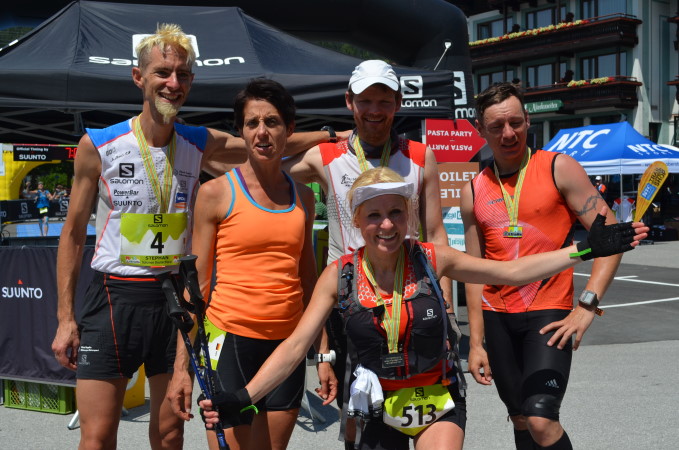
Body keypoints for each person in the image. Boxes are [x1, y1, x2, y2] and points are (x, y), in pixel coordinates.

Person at [198, 167, 646, 450]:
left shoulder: (432, 258)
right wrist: (243, 397)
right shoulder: (340, 275)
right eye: (374, 215)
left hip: (438, 398)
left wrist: (584, 249)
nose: (386, 225)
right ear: (357, 221)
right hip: (374, 402)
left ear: (409, 217)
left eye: (396, 213)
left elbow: (511, 272)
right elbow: (296, 346)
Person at [50, 23, 347, 450]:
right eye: (162, 73)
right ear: (138, 77)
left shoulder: (197, 140)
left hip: (177, 300)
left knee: (171, 433)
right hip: (116, 295)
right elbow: (74, 234)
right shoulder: (98, 144)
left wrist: (331, 135)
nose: (173, 84)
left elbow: (266, 140)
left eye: (183, 75)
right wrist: (65, 318)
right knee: (96, 437)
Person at [283, 59, 452, 448]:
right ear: (349, 102)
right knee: (361, 425)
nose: (375, 110)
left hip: (411, 297)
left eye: (384, 101)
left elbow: (436, 233)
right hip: (351, 305)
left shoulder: (420, 156)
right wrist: (327, 133)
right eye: (365, 101)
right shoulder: (326, 154)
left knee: (421, 409)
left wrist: (443, 309)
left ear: (398, 103)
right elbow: (266, 157)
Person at [167, 78, 332, 450]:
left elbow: (310, 280)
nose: (262, 132)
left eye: (272, 122)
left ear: (289, 130)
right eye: (252, 123)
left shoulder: (303, 197)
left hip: (287, 346)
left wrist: (323, 352)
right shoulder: (215, 193)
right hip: (230, 342)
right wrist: (182, 368)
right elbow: (196, 287)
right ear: (240, 131)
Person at [461, 82, 627, 449]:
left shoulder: (558, 168)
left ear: (528, 119)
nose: (508, 134)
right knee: (521, 419)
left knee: (541, 417)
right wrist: (475, 343)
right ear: (480, 129)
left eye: (516, 123)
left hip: (548, 311)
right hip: (497, 317)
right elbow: (473, 271)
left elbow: (611, 238)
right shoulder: (473, 189)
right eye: (497, 127)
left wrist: (587, 306)